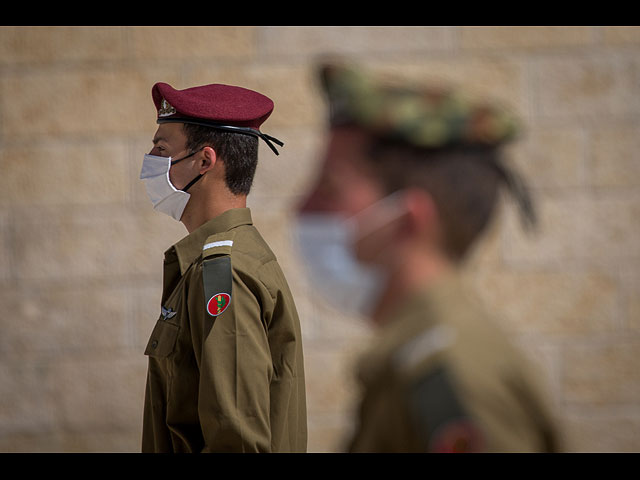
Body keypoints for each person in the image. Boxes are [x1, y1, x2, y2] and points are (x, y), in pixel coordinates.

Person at [295, 62, 561, 453]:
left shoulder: (449, 379)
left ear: (407, 220)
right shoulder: (414, 360)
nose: (302, 207)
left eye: (330, 188)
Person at [139, 81, 307, 452]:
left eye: (161, 148)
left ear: (205, 161)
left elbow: (238, 438)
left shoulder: (223, 272)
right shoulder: (219, 261)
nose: (150, 158)